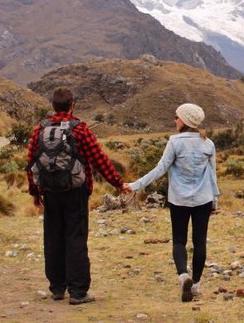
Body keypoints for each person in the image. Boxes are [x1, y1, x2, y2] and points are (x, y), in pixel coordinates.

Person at [26, 87, 124, 305]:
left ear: (53, 106)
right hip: (76, 193)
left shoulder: (39, 129)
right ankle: (78, 291)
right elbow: (99, 159)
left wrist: (35, 193)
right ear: (72, 105)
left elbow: (30, 163)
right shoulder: (79, 129)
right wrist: (118, 183)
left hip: (50, 192)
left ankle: (57, 288)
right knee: (76, 239)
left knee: (53, 238)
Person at [121, 103, 219, 303]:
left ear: (184, 120)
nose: (174, 120)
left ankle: (184, 276)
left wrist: (135, 185)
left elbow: (160, 169)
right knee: (200, 241)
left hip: (179, 200)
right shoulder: (208, 143)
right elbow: (212, 174)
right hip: (203, 199)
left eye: (176, 117)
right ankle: (197, 285)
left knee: (179, 241)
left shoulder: (174, 142)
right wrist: (215, 200)